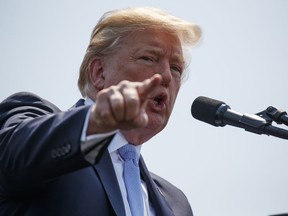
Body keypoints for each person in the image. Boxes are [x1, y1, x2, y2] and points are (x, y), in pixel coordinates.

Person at [0, 7, 201, 216]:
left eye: (176, 68)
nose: (167, 76)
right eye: (148, 58)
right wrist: (100, 120)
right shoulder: (40, 126)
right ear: (99, 72)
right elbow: (13, 158)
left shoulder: (177, 205)